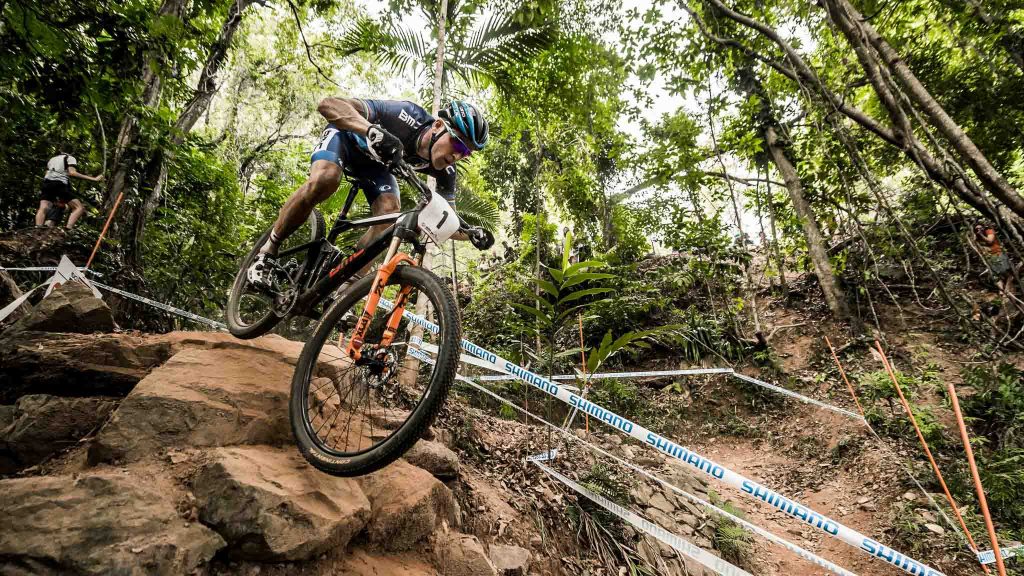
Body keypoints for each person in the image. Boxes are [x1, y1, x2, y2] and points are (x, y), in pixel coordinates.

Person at [248, 98, 490, 288]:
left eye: (466, 153)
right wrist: (371, 130)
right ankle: (267, 252)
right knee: (326, 179)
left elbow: (449, 219)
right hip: (345, 139)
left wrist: (471, 234)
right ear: (438, 126)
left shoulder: (447, 171)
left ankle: (342, 283)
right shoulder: (406, 115)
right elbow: (328, 104)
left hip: (376, 169)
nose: (458, 155)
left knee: (389, 216)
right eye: (458, 143)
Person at [35, 152, 103, 229]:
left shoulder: (52, 159)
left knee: (43, 207)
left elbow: (47, 173)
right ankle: (68, 229)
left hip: (47, 183)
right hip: (59, 184)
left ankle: (38, 228)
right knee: (79, 208)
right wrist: (94, 179)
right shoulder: (70, 158)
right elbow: (72, 172)